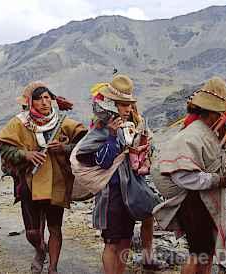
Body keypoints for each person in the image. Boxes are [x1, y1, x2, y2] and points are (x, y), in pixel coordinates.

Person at [0, 82, 87, 274]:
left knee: (55, 227)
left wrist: (64, 148)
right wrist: (25, 155)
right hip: (29, 181)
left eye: (47, 97)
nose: (45, 102)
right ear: (30, 102)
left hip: (56, 181)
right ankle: (39, 249)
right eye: (39, 98)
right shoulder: (19, 123)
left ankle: (52, 268)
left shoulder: (64, 123)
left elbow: (84, 145)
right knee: (32, 232)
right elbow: (4, 147)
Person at [72, 74, 160, 274]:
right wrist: (112, 138)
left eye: (129, 104)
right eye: (123, 104)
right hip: (111, 193)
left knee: (125, 240)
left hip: (128, 190)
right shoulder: (101, 130)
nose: (128, 109)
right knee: (112, 243)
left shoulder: (129, 127)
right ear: (112, 104)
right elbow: (103, 163)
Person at [152, 77, 226, 274]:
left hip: (200, 201)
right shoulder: (192, 135)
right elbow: (182, 175)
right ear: (213, 113)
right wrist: (215, 180)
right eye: (221, 113)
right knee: (198, 253)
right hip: (193, 202)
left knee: (205, 252)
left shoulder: (205, 132)